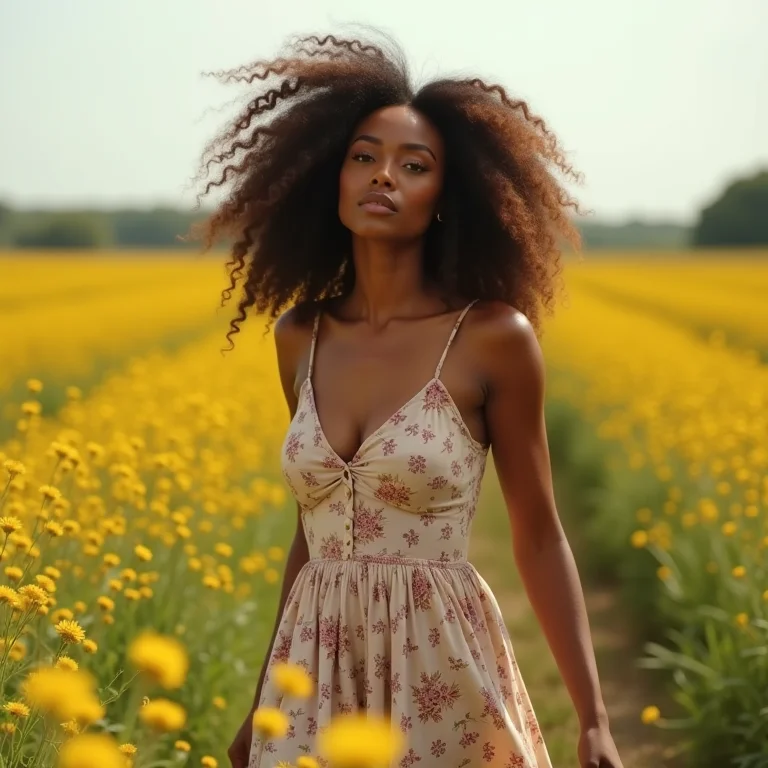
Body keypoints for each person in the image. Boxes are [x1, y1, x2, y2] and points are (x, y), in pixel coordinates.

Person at [192, 28, 623, 768]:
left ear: (448, 197)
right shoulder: (299, 335)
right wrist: (266, 695)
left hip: (439, 666)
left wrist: (593, 721)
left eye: (412, 165)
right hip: (313, 670)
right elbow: (312, 533)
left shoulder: (493, 338)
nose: (382, 177)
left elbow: (541, 533)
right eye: (364, 157)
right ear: (330, 178)